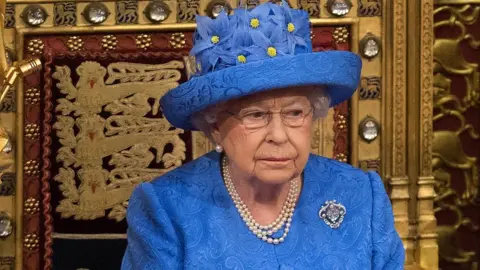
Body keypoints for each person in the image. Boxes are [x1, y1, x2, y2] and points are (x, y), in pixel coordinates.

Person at [121, 1, 405, 269]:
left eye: (294, 113)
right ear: (216, 127)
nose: (279, 136)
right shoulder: (166, 207)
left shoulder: (360, 194)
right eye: (255, 115)